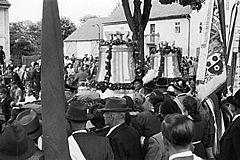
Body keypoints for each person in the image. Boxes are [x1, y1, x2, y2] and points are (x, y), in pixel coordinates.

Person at [219, 89, 240, 160]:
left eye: (230, 104)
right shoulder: (236, 122)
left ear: (235, 107)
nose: (229, 106)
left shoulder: (236, 127)